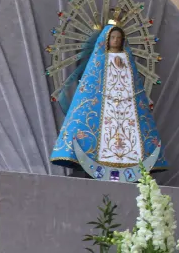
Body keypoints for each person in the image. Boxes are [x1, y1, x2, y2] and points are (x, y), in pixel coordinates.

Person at [50, 23, 168, 177]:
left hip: (126, 108)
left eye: (119, 38)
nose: (116, 40)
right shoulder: (99, 60)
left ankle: (131, 164)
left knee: (127, 135)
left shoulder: (127, 60)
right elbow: (91, 85)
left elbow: (133, 85)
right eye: (113, 37)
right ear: (106, 39)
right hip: (104, 107)